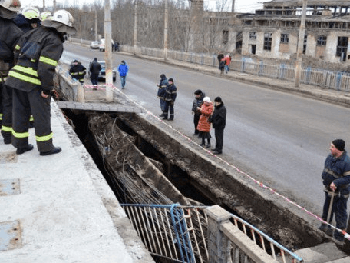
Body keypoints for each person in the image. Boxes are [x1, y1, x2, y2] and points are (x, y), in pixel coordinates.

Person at [5, 9, 77, 155]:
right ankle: (46, 148)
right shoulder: (55, 42)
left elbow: (17, 50)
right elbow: (45, 68)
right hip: (34, 83)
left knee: (20, 112)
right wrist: (46, 89)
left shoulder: (34, 32)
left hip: (16, 79)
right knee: (41, 115)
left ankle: (21, 145)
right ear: (63, 29)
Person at [0, 0, 23, 145]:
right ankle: (7, 136)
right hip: (6, 73)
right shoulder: (16, 31)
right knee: (8, 103)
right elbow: (18, 56)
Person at [319, 139, 350, 242]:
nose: (330, 148)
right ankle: (325, 228)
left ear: (338, 149)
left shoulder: (346, 162)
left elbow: (348, 178)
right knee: (327, 208)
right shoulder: (330, 157)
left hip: (341, 192)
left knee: (340, 212)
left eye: (332, 146)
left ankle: (340, 236)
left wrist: (336, 183)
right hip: (329, 189)